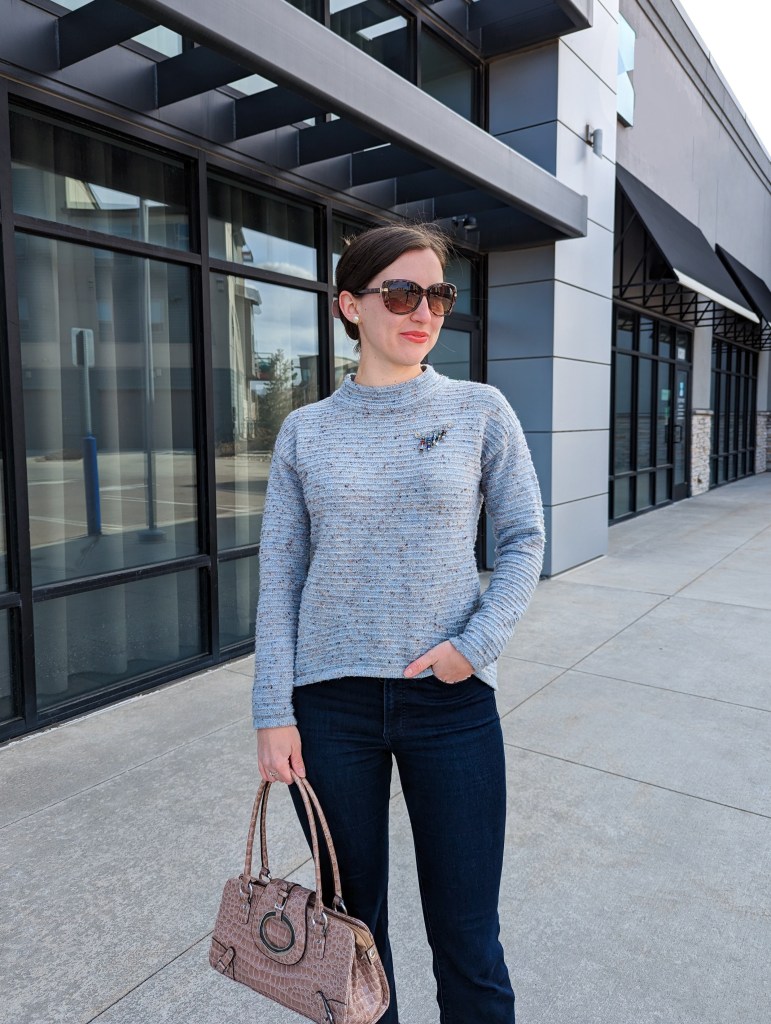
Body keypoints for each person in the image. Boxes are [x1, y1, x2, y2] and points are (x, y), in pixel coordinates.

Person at [252, 223, 545, 1024]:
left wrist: (474, 647)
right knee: (351, 939)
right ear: (350, 304)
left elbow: (523, 538)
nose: (424, 311)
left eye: (438, 294)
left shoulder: (478, 409)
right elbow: (278, 576)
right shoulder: (305, 431)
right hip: (330, 710)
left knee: (467, 935)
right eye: (400, 292)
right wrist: (272, 710)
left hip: (450, 704)